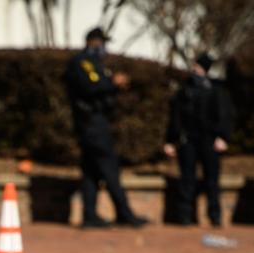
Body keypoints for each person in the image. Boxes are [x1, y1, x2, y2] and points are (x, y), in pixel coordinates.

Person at [65, 27, 149, 229]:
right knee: (109, 168)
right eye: (101, 42)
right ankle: (125, 213)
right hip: (91, 123)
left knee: (91, 172)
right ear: (93, 42)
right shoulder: (82, 62)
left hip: (96, 121)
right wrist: (112, 82)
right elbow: (90, 87)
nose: (104, 47)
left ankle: (90, 216)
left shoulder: (96, 64)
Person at [164, 53, 233, 227]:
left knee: (212, 180)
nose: (195, 70)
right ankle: (185, 216)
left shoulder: (216, 90)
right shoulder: (184, 90)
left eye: (198, 67)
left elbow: (225, 115)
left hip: (209, 139)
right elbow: (175, 117)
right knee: (187, 179)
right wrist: (171, 140)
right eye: (194, 67)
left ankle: (215, 216)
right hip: (189, 140)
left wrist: (223, 137)